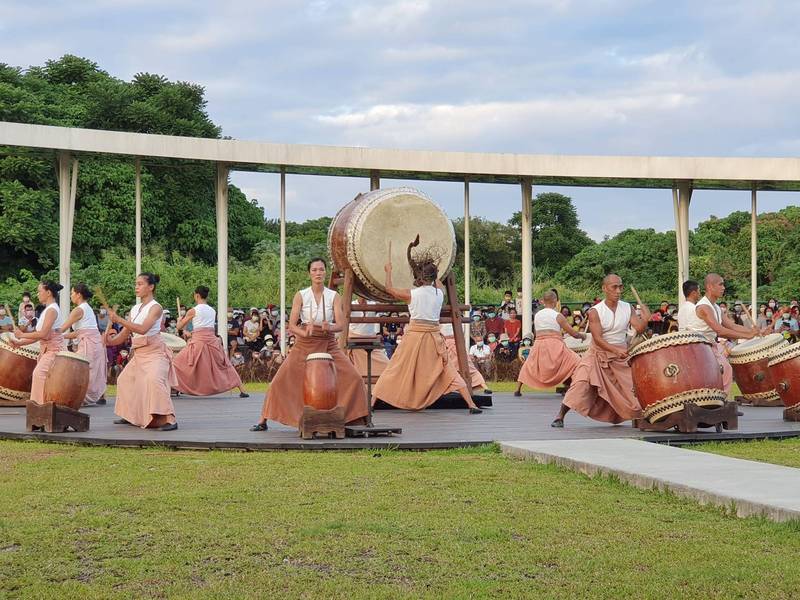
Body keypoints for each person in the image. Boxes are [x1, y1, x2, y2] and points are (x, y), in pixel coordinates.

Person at [251, 258, 369, 431]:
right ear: (309, 273)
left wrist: (330, 327)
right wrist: (303, 332)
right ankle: (263, 420)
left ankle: (356, 417)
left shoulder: (334, 296)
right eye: (314, 270)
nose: (318, 273)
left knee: (354, 378)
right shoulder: (301, 295)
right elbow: (292, 325)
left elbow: (341, 324)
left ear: (325, 272)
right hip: (305, 342)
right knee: (279, 381)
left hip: (328, 342)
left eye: (321, 270)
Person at [372, 245, 482, 413]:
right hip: (433, 337)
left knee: (395, 367)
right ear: (433, 276)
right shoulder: (440, 293)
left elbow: (389, 290)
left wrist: (388, 271)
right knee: (448, 370)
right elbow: (438, 281)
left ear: (419, 277)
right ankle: (471, 404)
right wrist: (433, 266)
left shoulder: (412, 294)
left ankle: (371, 403)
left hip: (414, 338)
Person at [552, 274, 650, 427]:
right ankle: (560, 415)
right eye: (614, 287)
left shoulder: (627, 307)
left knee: (631, 387)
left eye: (621, 287)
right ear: (604, 288)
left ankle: (640, 416)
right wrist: (615, 351)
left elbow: (639, 328)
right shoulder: (595, 311)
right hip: (597, 353)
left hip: (621, 354)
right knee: (581, 383)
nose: (618, 290)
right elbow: (597, 338)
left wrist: (646, 318)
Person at [105, 273, 178, 430]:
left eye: (140, 284)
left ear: (151, 287)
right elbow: (125, 333)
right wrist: (109, 341)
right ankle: (130, 415)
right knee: (125, 380)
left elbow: (143, 329)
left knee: (154, 380)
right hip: (139, 353)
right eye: (135, 284)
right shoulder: (135, 308)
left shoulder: (156, 308)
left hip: (154, 352)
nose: (136, 287)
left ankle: (168, 419)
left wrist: (119, 319)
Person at [684, 274, 759, 395]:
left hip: (708, 345)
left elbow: (731, 325)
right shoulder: (704, 307)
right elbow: (720, 330)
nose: (723, 287)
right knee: (724, 369)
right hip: (696, 346)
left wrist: (754, 331)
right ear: (709, 286)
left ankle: (720, 402)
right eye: (720, 284)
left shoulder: (716, 307)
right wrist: (747, 336)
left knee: (726, 370)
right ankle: (719, 402)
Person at [173, 285, 249, 398]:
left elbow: (179, 326)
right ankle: (242, 389)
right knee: (225, 365)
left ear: (197, 295)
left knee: (176, 363)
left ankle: (173, 386)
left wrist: (179, 320)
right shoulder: (212, 310)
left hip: (198, 342)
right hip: (212, 341)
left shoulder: (193, 311)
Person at [515, 290, 585, 397]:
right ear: (555, 301)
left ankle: (518, 389)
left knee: (529, 365)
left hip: (539, 343)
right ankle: (572, 385)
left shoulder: (537, 315)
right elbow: (573, 333)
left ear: (543, 301)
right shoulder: (558, 315)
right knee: (576, 361)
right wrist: (582, 336)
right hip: (555, 344)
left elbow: (535, 332)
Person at [8, 281, 66, 404]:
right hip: (47, 350)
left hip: (54, 350)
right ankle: (40, 409)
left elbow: (43, 334)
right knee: (39, 375)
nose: (37, 294)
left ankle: (40, 409)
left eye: (39, 291)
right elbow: (38, 336)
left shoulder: (52, 310)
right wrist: (19, 343)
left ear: (49, 292)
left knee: (39, 374)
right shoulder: (48, 309)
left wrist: (22, 334)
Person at [59, 283, 108, 407]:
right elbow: (78, 332)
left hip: (89, 344)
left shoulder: (79, 310)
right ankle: (96, 395)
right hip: (93, 342)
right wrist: (61, 336)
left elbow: (63, 328)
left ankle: (79, 396)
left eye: (72, 293)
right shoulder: (87, 308)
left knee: (81, 370)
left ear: (78, 294)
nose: (71, 296)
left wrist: (47, 334)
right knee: (91, 371)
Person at [440, 322, 492, 394]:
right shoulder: (444, 322)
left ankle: (484, 386)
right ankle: (483, 386)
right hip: (451, 346)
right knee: (462, 369)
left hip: (454, 346)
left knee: (466, 368)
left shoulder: (457, 322)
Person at [347, 296, 391, 380]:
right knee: (352, 370)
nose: (362, 296)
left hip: (371, 341)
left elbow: (387, 305)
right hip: (353, 341)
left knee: (387, 365)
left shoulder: (373, 304)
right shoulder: (351, 304)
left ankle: (378, 389)